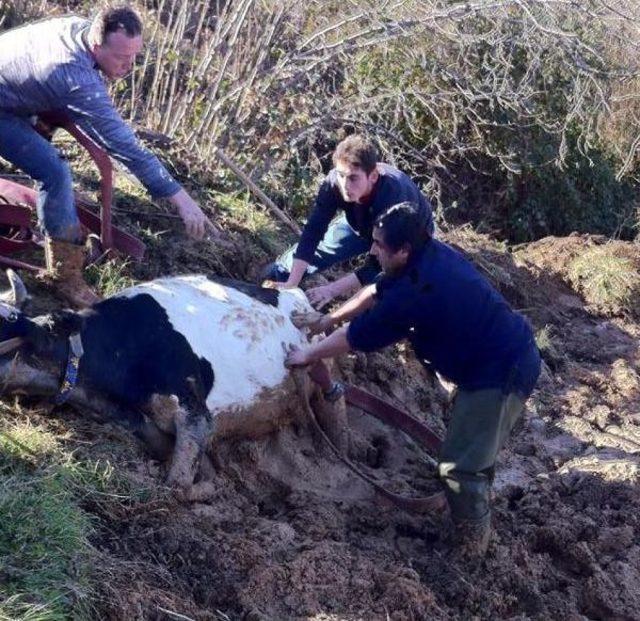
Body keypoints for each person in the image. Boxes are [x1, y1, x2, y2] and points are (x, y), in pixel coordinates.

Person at [286, 201, 540, 558]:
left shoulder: (419, 290)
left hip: (502, 370)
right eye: (373, 240)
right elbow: (373, 293)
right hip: (484, 360)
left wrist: (309, 354)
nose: (372, 249)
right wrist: (324, 321)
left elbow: (357, 335)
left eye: (379, 245)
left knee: (459, 465)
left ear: (403, 250)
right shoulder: (422, 256)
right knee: (468, 448)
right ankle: (472, 499)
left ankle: (472, 545)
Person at [0, 6, 216, 307]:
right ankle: (64, 276)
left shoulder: (80, 29)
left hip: (13, 89)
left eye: (134, 56)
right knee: (55, 171)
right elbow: (121, 143)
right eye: (121, 57)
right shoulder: (74, 76)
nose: (129, 65)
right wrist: (178, 195)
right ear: (97, 44)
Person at [265, 134, 434, 309]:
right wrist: (292, 282)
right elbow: (313, 231)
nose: (345, 185)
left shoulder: (394, 198)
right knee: (290, 268)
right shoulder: (334, 184)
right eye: (341, 175)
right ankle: (280, 278)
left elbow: (377, 265)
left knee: (387, 292)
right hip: (358, 225)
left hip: (407, 238)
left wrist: (331, 290)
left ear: (373, 176)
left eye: (353, 178)